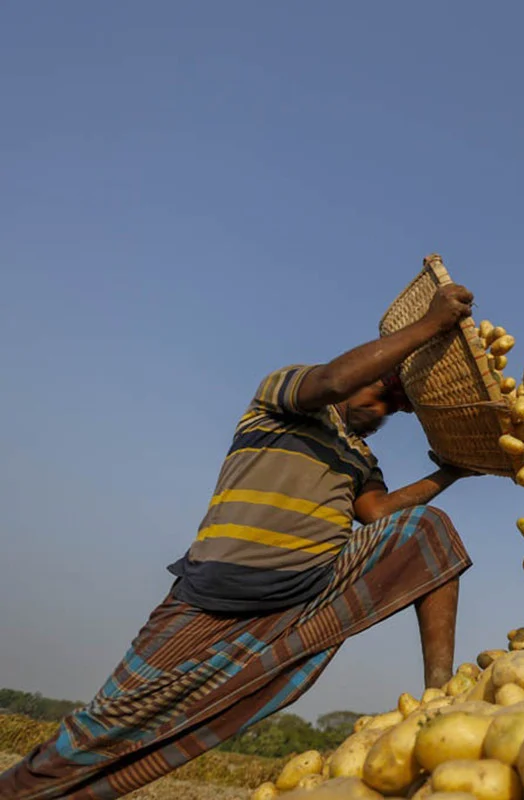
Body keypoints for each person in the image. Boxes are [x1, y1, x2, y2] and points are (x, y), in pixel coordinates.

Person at [0, 283, 480, 800]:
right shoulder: (285, 396)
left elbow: (380, 514)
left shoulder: (362, 460)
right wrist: (430, 326)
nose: (381, 407)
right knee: (109, 725)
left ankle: (441, 695)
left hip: (307, 589)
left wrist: (451, 472)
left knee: (427, 531)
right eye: (382, 390)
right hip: (212, 595)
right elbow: (334, 378)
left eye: (395, 406)